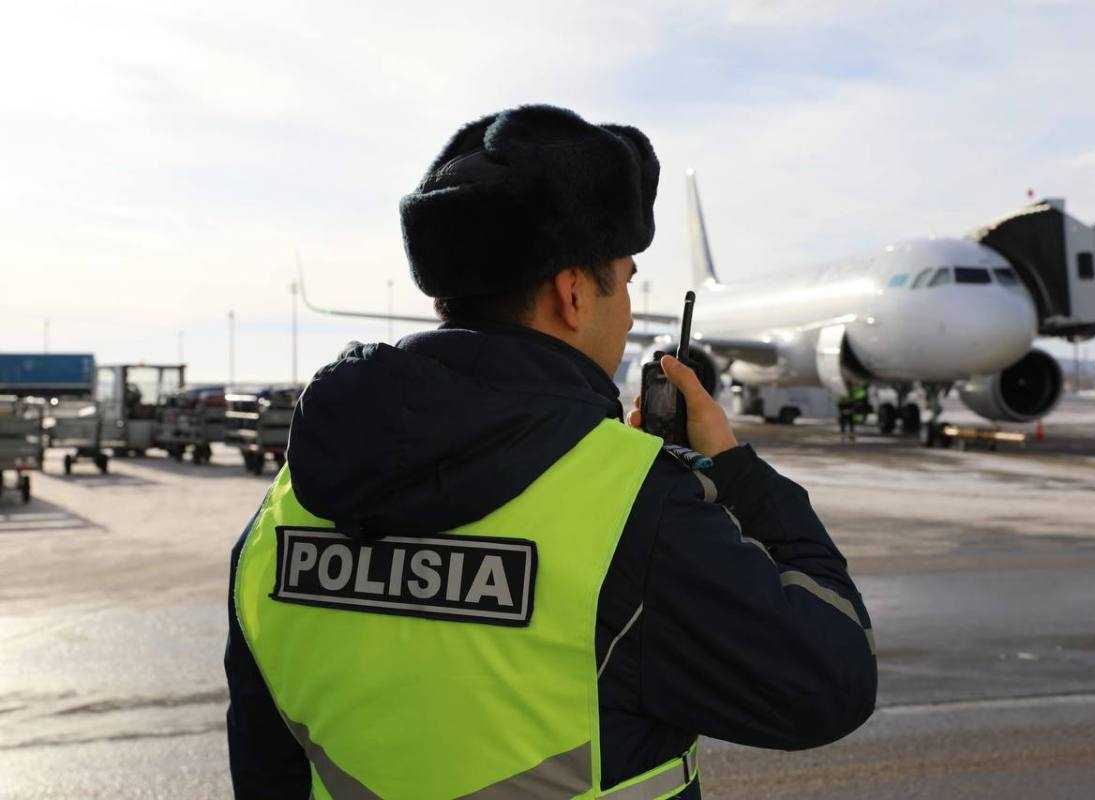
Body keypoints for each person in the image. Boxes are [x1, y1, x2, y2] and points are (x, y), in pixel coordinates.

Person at [225, 104, 876, 799]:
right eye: (624, 281)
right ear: (571, 294)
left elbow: (267, 769)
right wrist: (737, 476)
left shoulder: (283, 512)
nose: (627, 312)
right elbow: (830, 683)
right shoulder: (634, 508)